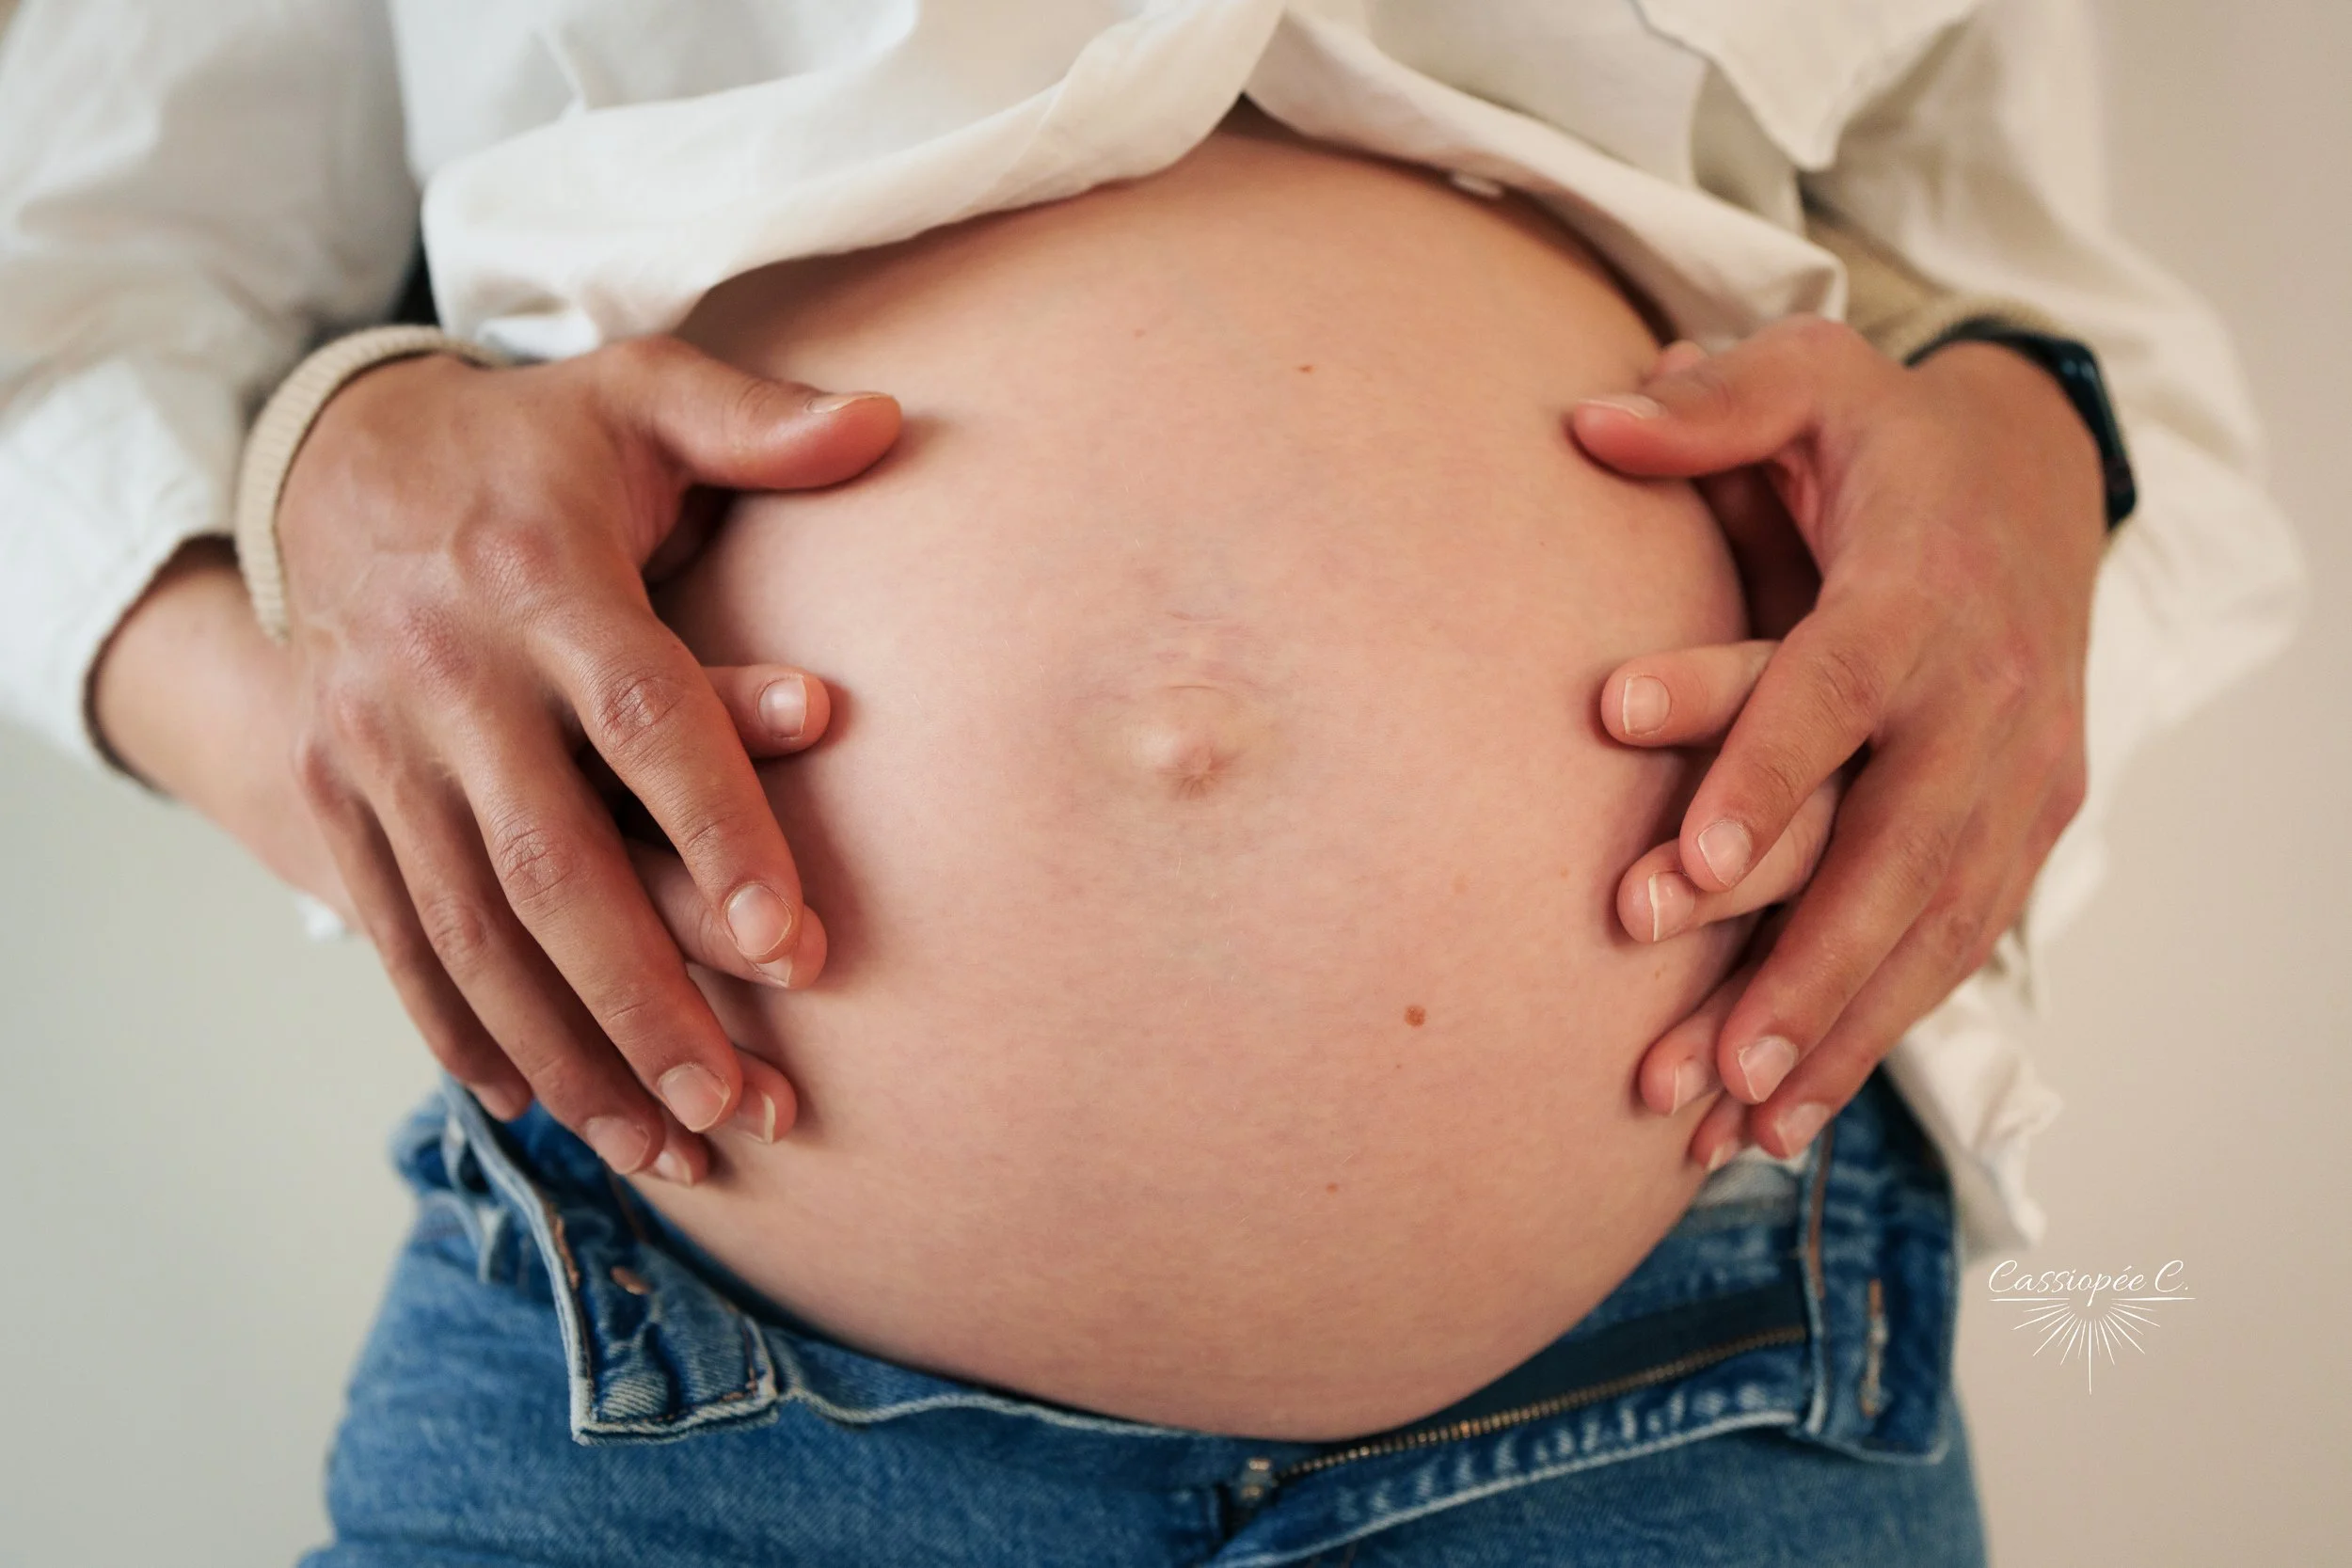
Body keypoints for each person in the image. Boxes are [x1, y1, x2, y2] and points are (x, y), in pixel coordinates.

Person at [0, 2, 2299, 1561]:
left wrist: (2029, 440)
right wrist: (339, 582)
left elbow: (1999, 285)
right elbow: (62, 317)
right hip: (669, 1386)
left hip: (1698, 1360)